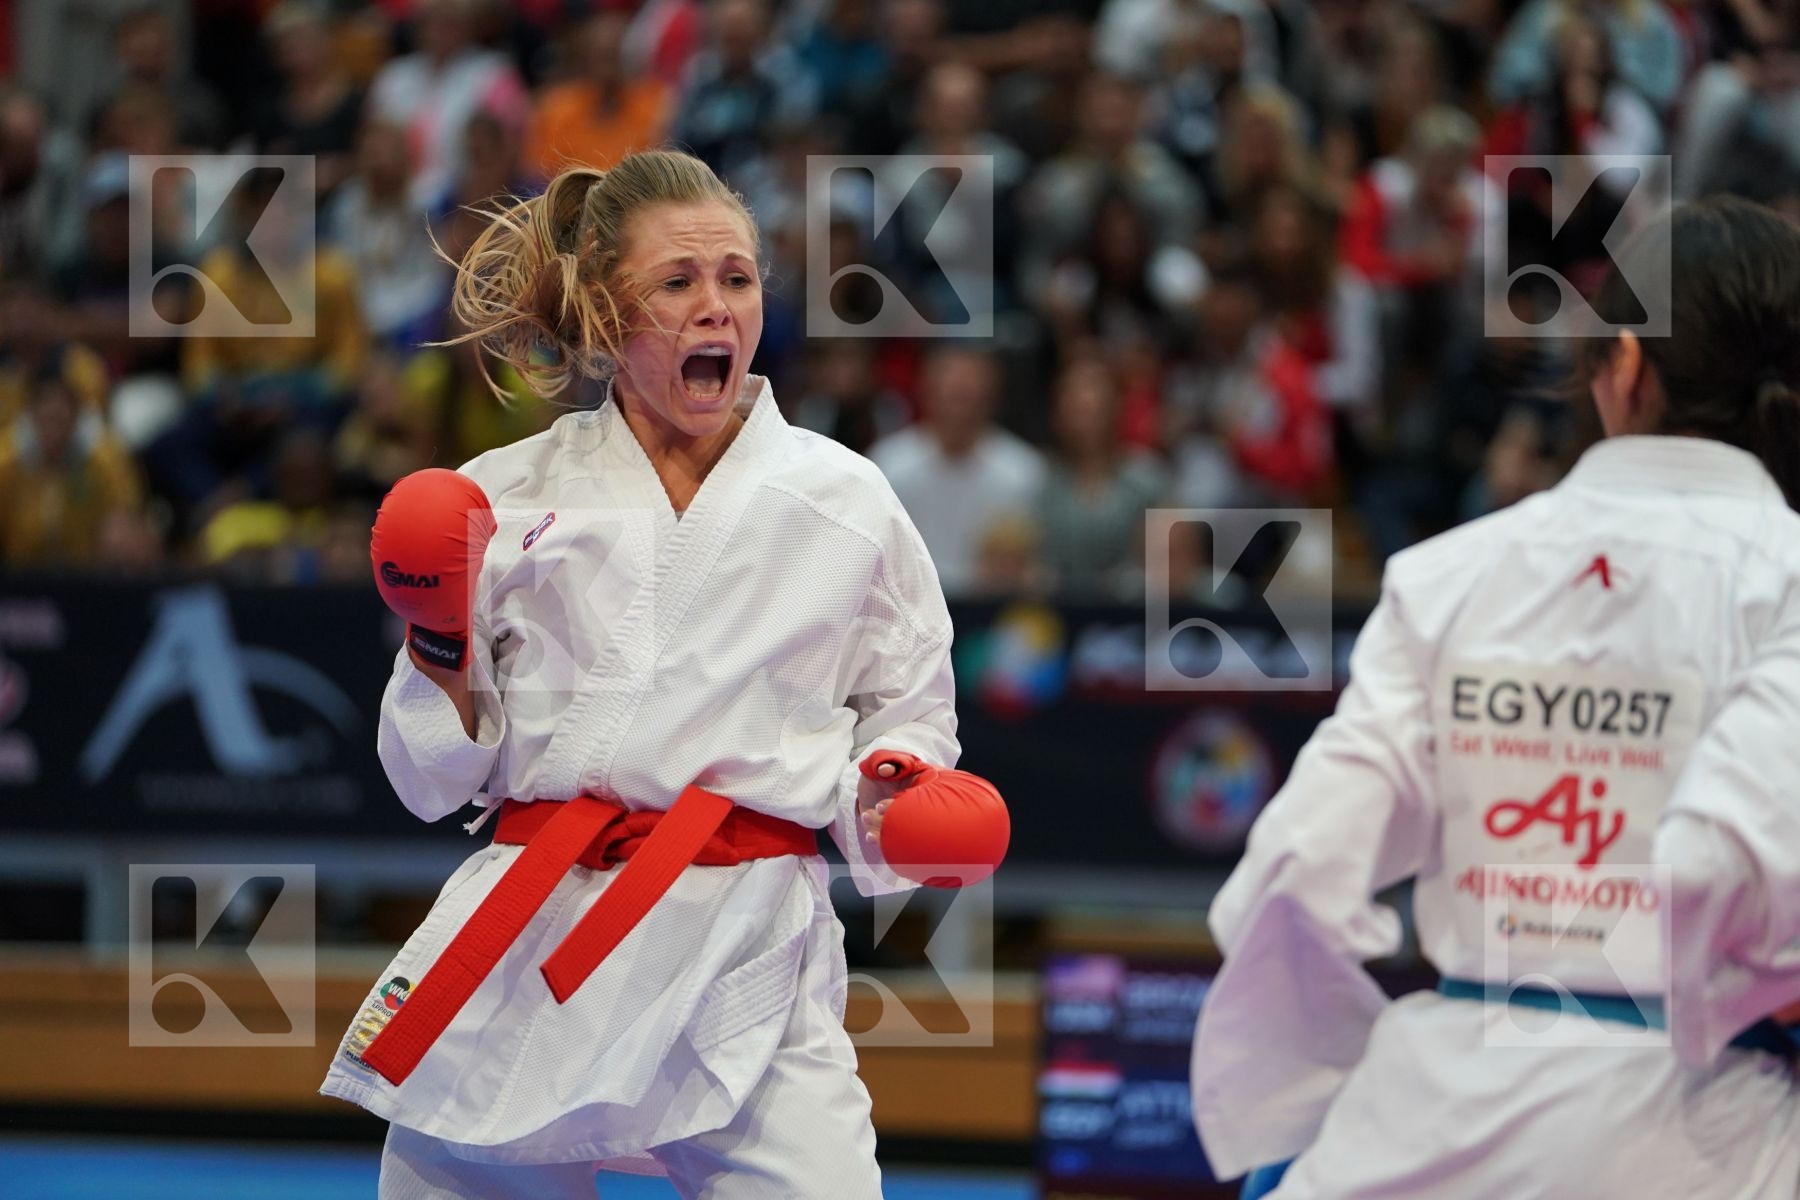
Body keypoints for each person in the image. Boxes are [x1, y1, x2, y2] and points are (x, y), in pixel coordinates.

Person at [318, 149, 1008, 1200]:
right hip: (534, 927)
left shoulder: (842, 498)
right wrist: (440, 647)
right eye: (678, 284)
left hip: (744, 945)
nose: (716, 311)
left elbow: (906, 705)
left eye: (736, 280)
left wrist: (898, 790)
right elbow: (429, 782)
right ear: (603, 311)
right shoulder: (502, 495)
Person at [1190, 195, 1800, 1198]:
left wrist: (1317, 1107)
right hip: (1711, 1129)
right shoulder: (1783, 581)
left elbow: (1296, 870)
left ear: (1626, 369)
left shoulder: (1451, 575)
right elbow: (1719, 865)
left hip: (1432, 1116)